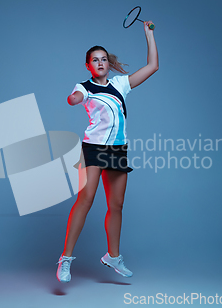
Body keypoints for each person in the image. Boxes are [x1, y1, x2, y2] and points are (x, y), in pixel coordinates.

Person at [56, 20, 158, 283]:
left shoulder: (121, 84)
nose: (100, 63)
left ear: (108, 63)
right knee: (86, 199)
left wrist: (148, 35)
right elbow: (74, 98)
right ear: (88, 65)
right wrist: (75, 98)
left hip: (118, 149)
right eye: (95, 60)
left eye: (103, 59)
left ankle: (113, 256)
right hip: (93, 148)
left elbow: (152, 66)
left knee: (117, 205)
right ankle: (65, 259)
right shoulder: (84, 87)